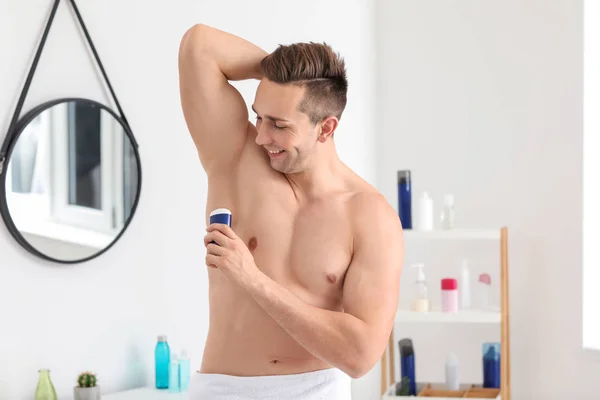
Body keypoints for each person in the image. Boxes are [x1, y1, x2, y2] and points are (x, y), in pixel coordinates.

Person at [178, 23, 404, 399]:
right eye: (258, 116)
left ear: (326, 128)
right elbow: (199, 45)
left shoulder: (370, 216)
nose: (262, 136)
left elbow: (360, 355)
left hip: (314, 390)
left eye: (279, 125)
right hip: (222, 389)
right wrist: (283, 72)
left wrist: (253, 280)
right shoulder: (235, 157)